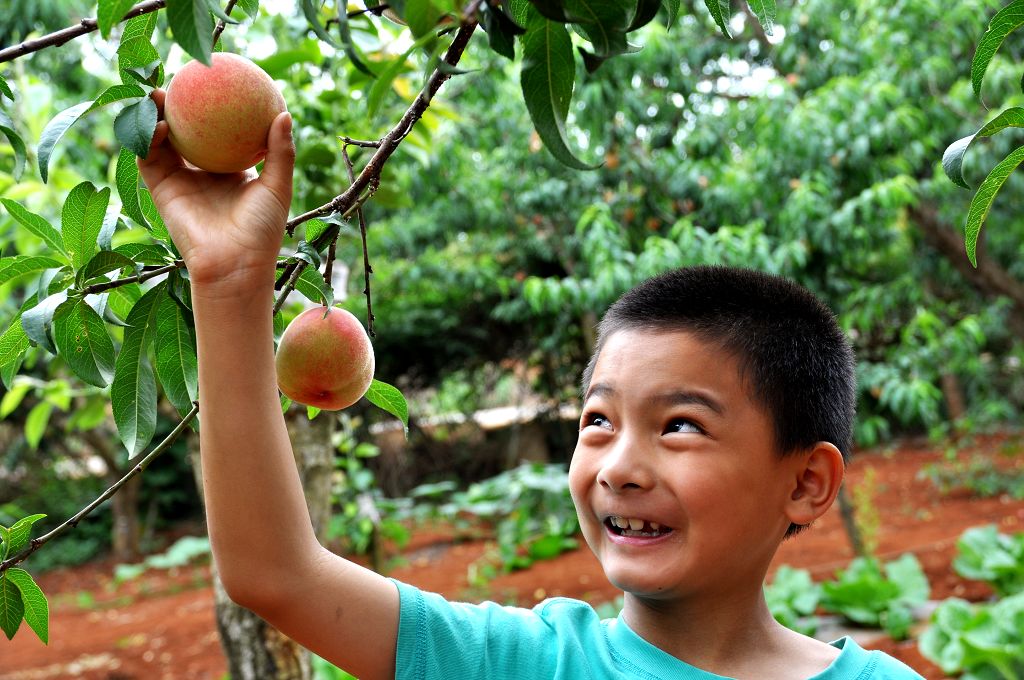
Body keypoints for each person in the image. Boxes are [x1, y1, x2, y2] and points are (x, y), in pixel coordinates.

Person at [138, 89, 924, 680]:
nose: (617, 465)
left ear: (808, 482)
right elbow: (273, 573)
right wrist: (231, 286)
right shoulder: (513, 661)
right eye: (597, 422)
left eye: (680, 425)